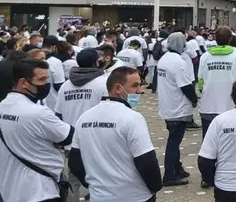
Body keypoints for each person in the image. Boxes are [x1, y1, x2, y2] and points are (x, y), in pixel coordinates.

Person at [68, 67, 161, 202]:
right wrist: (155, 187)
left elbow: (75, 162)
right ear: (118, 88)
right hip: (135, 196)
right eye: (135, 85)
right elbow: (147, 161)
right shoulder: (132, 118)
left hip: (99, 196)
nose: (139, 91)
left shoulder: (84, 118)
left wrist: (94, 185)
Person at [0, 59, 75, 202]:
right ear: (23, 83)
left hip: (9, 190)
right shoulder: (38, 113)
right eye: (41, 80)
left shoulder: (2, 106)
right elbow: (68, 135)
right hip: (40, 190)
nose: (46, 84)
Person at [53, 49, 110, 202]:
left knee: (73, 181)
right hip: (97, 141)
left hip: (72, 142)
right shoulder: (103, 83)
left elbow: (58, 115)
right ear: (95, 63)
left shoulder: (66, 86)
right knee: (101, 180)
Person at [156, 32, 197, 186]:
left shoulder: (164, 59)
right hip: (178, 108)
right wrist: (194, 99)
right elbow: (185, 85)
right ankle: (168, 175)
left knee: (175, 139)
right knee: (174, 142)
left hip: (167, 106)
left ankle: (177, 168)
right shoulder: (178, 62)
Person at [198, 26, 236, 137]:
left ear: (215, 38)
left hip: (208, 105)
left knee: (208, 141)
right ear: (230, 39)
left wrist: (204, 91)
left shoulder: (205, 57)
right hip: (230, 106)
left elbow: (200, 80)